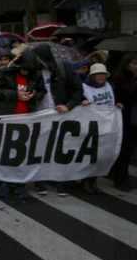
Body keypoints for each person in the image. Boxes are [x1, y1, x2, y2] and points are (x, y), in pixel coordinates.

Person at [0, 50, 47, 198]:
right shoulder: (4, 72)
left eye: (28, 71)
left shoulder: (36, 75)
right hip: (8, 117)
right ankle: (4, 182)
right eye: (23, 69)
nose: (25, 72)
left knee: (22, 153)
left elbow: (42, 91)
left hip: (27, 118)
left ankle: (19, 183)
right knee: (5, 152)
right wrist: (15, 95)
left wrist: (34, 97)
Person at [32, 43, 84, 196]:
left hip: (60, 117)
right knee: (39, 149)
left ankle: (58, 180)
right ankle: (40, 181)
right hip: (39, 115)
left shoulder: (63, 68)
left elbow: (78, 89)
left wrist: (69, 105)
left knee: (58, 149)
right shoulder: (34, 71)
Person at [80, 63, 122, 194]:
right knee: (90, 154)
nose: (101, 76)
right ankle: (86, 180)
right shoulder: (84, 87)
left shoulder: (109, 86)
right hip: (91, 125)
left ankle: (94, 179)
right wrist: (82, 101)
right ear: (92, 76)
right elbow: (78, 100)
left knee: (101, 154)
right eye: (99, 74)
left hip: (106, 125)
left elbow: (111, 100)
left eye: (103, 74)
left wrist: (117, 104)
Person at [110, 53, 137, 192]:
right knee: (124, 149)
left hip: (133, 118)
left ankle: (122, 175)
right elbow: (128, 92)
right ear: (128, 64)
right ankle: (120, 178)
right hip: (124, 118)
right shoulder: (121, 78)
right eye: (134, 63)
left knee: (129, 149)